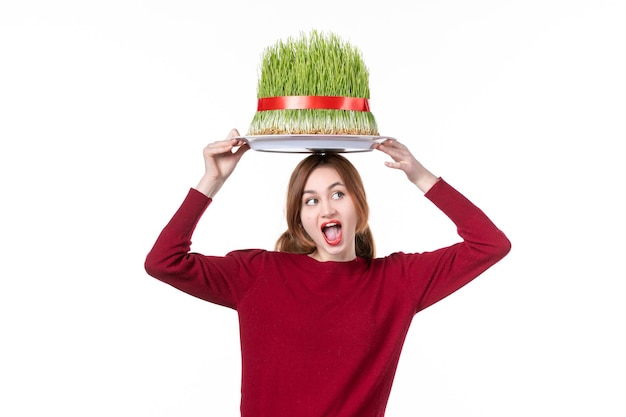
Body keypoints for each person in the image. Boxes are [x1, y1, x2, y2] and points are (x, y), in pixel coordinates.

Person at [144, 128, 511, 417]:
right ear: (300, 219)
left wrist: (419, 175)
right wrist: (212, 180)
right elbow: (164, 261)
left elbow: (489, 244)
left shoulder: (397, 281)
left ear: (358, 205)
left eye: (338, 194)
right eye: (311, 200)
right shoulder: (257, 273)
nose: (325, 208)